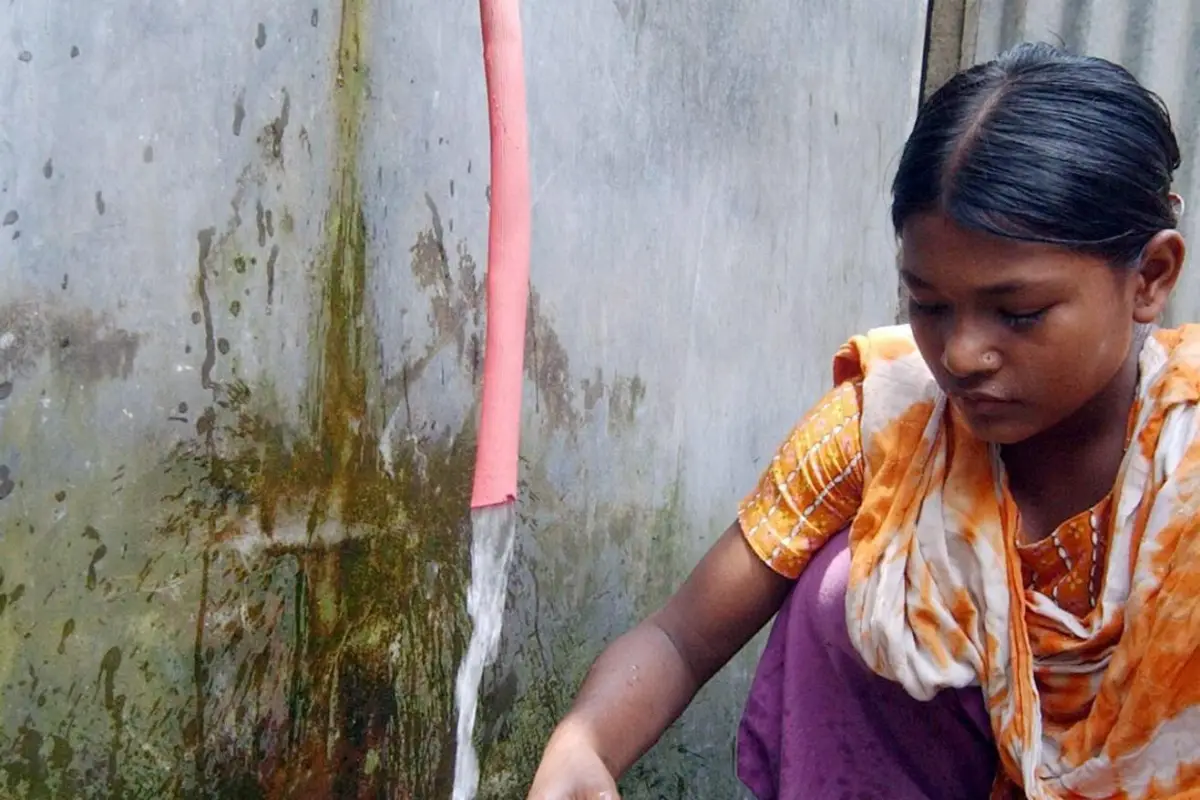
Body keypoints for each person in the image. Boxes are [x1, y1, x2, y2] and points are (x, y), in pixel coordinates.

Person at [527, 41, 1200, 800]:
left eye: (1018, 313)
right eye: (930, 305)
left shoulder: (1187, 458)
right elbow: (682, 638)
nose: (964, 352)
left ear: (1150, 279)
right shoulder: (890, 422)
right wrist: (585, 745)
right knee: (847, 585)